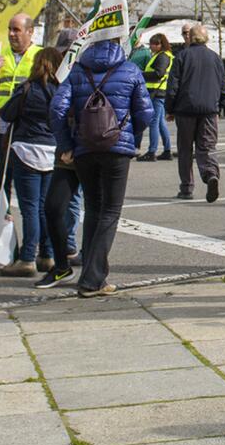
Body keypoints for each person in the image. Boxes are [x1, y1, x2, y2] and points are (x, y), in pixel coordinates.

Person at [48, 25, 153, 298]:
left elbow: (57, 108)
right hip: (117, 147)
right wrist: (132, 134)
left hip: (84, 147)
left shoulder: (77, 69)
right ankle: (92, 279)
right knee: (110, 211)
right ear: (119, 40)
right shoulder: (130, 70)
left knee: (93, 208)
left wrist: (65, 144)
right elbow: (146, 112)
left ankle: (90, 274)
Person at [0, 46, 65, 278]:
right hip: (51, 150)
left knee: (30, 208)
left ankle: (27, 257)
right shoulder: (61, 90)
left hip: (26, 149)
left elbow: (6, 114)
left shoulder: (27, 88)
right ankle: (47, 255)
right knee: (45, 207)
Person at [167, 23, 225, 202]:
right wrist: (219, 106)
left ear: (190, 37)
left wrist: (170, 109)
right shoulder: (216, 58)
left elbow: (173, 86)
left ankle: (186, 188)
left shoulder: (181, 56)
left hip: (185, 110)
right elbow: (224, 87)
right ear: (206, 38)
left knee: (185, 150)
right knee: (207, 147)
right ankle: (210, 175)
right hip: (209, 110)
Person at [0, 15, 40, 195]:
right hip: (1, 130)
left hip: (27, 130)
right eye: (9, 29)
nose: (11, 34)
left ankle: (30, 224)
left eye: (16, 30)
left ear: (30, 32)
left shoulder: (39, 56)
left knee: (28, 190)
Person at [138, 33, 175, 161]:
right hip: (159, 92)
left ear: (160, 44)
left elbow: (159, 73)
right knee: (160, 122)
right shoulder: (161, 55)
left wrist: (141, 74)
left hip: (156, 92)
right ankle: (167, 150)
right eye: (151, 44)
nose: (151, 46)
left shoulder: (163, 56)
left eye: (153, 44)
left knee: (154, 122)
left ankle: (152, 151)